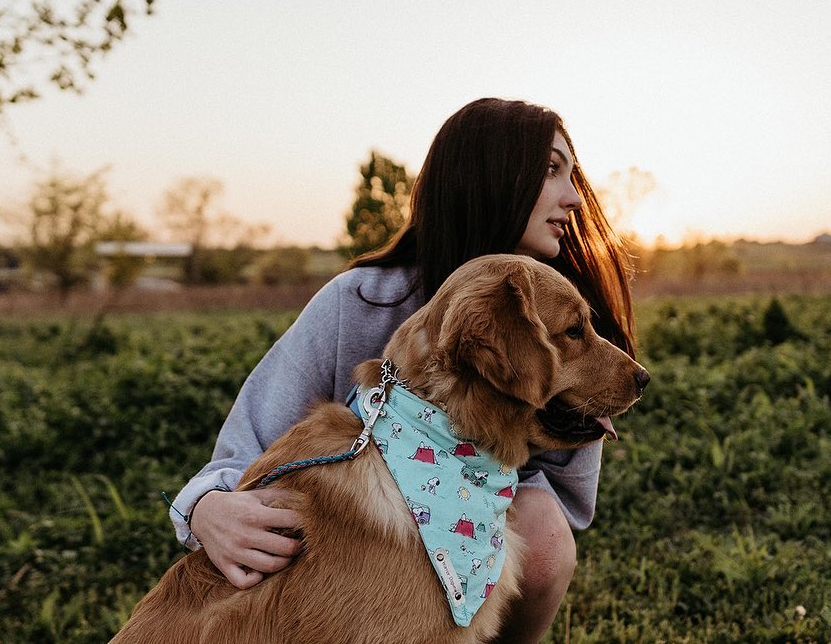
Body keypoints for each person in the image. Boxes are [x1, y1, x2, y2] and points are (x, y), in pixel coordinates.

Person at [170, 97, 637, 642]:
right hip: (335, 567)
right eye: (551, 171)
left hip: (481, 534)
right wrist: (205, 507)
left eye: (572, 173)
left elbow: (568, 504)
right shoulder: (361, 301)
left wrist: (456, 489)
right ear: (489, 178)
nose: (575, 198)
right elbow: (245, 445)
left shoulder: (567, 321)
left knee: (541, 528)